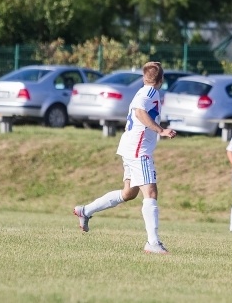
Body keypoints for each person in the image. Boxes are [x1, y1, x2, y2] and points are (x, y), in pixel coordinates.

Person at [73, 61, 177, 254]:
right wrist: (160, 130)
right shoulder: (151, 92)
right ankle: (152, 243)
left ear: (144, 78)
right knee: (151, 193)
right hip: (139, 150)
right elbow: (139, 113)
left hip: (130, 147)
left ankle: (85, 211)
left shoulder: (141, 91)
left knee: (129, 193)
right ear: (161, 80)